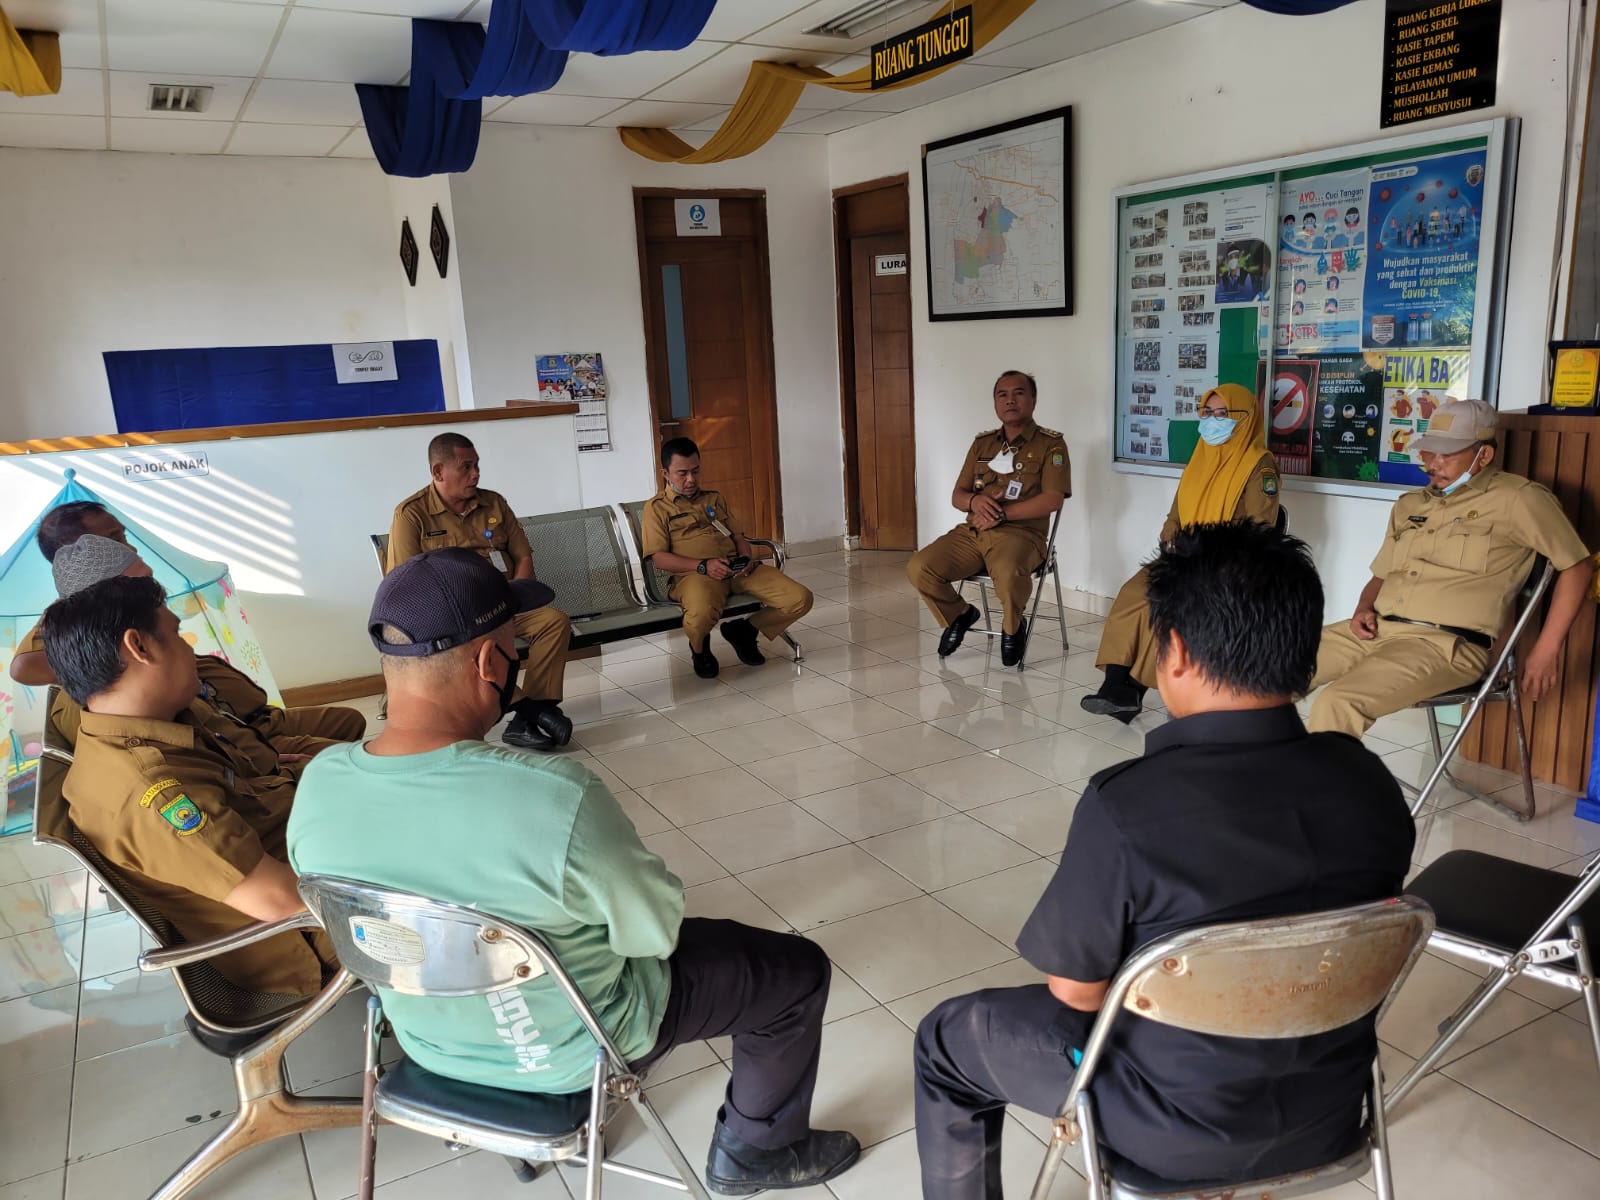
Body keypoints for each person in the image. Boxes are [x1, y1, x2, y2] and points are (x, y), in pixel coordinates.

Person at [286, 550, 860, 1194]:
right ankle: (757, 1152)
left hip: (430, 1047)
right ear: (486, 662)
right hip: (573, 1053)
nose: (519, 659)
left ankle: (519, 1138)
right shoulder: (553, 794)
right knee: (796, 970)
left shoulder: (318, 785)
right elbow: (653, 932)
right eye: (514, 646)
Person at [913, 521, 1415, 1199]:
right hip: (1327, 1113)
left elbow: (1077, 994)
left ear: (1173, 651)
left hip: (1165, 1132)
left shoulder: (1128, 808)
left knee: (947, 1039)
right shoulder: (1373, 785)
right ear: (1302, 655)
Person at [42, 575, 335, 996]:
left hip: (302, 844)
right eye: (178, 635)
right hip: (309, 930)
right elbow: (282, 900)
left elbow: (250, 788)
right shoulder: (153, 792)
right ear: (139, 647)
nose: (189, 650)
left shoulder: (144, 727)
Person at [1308, 398, 1593, 737]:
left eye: (1446, 454)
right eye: (1429, 451)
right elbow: (1380, 576)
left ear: (1483, 455)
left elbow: (1577, 565)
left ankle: (1317, 790)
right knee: (1267, 671)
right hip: (1375, 632)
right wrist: (1363, 607)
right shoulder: (1411, 505)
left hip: (1444, 646)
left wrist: (1546, 649)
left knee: (1338, 702)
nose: (1432, 463)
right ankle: (1256, 779)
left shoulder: (1518, 500)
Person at [9, 508, 364, 750]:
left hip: (242, 725)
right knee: (351, 758)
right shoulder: (83, 627)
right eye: (114, 539)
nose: (128, 546)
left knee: (347, 724)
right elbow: (24, 667)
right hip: (233, 739)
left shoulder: (134, 601)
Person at [1082, 384, 1280, 721]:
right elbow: (1175, 514)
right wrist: (1171, 540)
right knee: (1134, 593)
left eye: (1222, 415)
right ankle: (1115, 683)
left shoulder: (1259, 466)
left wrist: (1206, 549)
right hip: (1181, 556)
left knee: (1169, 604)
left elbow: (1259, 530)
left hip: (1224, 565)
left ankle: (1130, 688)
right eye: (1208, 414)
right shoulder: (1200, 458)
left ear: (1245, 420)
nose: (1212, 422)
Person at [387, 432, 572, 750]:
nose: (475, 474)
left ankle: (530, 715)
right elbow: (409, 584)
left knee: (553, 621)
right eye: (466, 467)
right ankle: (529, 710)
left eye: (477, 466)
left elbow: (523, 556)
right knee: (479, 641)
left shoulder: (493, 502)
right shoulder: (412, 515)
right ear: (438, 472)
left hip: (504, 603)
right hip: (455, 618)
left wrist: (513, 601)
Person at [907, 371, 1070, 666]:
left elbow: (1052, 500)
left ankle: (1012, 628)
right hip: (974, 532)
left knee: (1007, 573)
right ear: (995, 403)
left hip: (1022, 535)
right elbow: (958, 495)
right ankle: (959, 614)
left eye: (1019, 393)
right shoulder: (982, 444)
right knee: (920, 567)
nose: (1010, 400)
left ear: (1033, 400)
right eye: (1002, 394)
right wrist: (975, 500)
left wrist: (1001, 513)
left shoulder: (1051, 445)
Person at [639, 437, 813, 679]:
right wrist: (703, 566)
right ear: (665, 473)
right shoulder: (656, 508)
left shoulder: (714, 499)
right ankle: (699, 650)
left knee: (800, 599)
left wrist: (744, 558)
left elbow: (738, 536)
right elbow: (659, 559)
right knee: (699, 616)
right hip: (695, 575)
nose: (691, 479)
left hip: (736, 569)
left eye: (696, 471)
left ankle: (745, 630)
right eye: (682, 473)